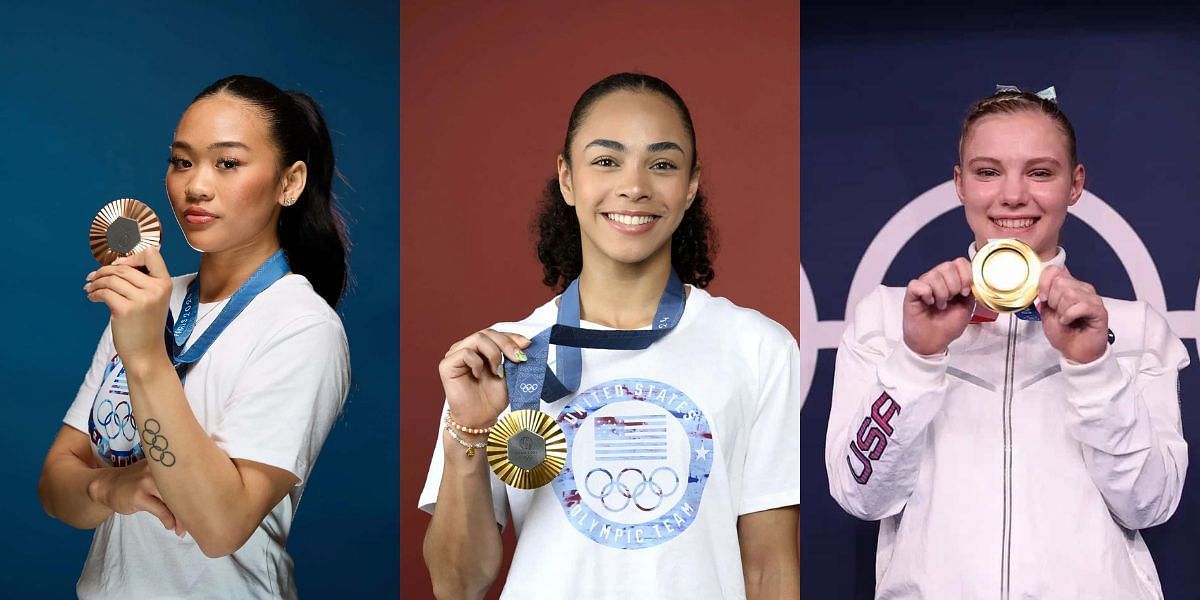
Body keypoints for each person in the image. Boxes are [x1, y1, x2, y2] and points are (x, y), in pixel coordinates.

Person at [419, 72, 801, 599]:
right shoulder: (501, 356)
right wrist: (468, 429)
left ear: (690, 185)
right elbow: (456, 585)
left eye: (662, 164)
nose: (635, 185)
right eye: (606, 160)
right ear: (567, 178)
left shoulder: (760, 347)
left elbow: (769, 570)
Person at [826, 88, 1189, 599]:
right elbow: (861, 497)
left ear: (1075, 184)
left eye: (1040, 172)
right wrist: (917, 360)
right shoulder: (887, 320)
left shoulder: (1133, 329)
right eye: (988, 171)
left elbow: (1149, 504)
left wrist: (1093, 368)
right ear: (959, 183)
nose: (1013, 195)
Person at [38, 75, 351, 599]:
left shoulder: (302, 326)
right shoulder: (151, 298)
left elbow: (219, 526)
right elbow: (54, 484)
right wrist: (110, 486)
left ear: (290, 183)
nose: (196, 186)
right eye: (182, 161)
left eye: (227, 163)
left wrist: (144, 358)